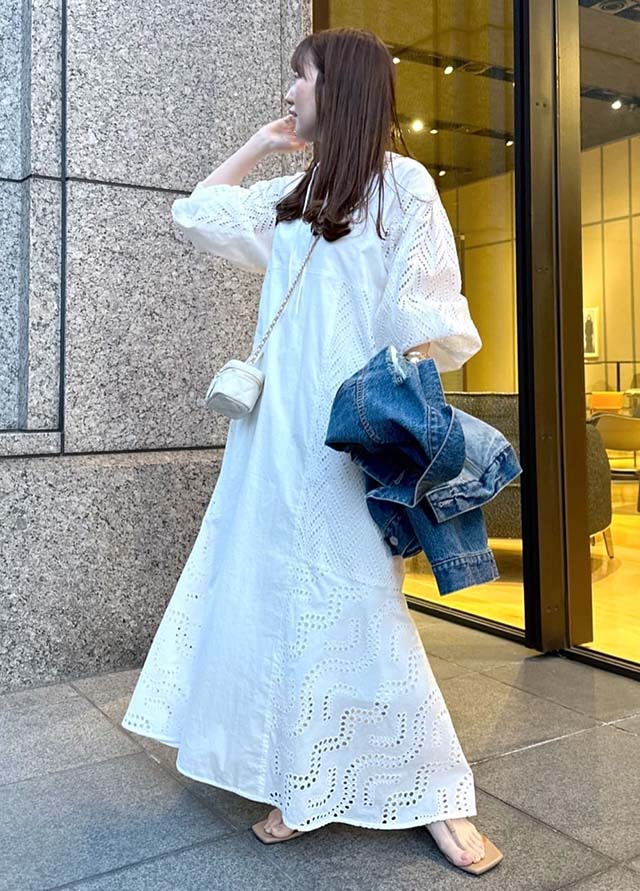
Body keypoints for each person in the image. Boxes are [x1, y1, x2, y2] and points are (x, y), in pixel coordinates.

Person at [122, 27, 502, 876]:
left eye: (301, 77)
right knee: (279, 601)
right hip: (273, 438)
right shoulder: (297, 193)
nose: (289, 91)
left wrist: (397, 418)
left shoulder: (402, 185)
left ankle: (437, 791)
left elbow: (426, 316)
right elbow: (196, 212)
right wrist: (263, 142)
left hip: (348, 434)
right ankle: (299, 782)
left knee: (361, 602)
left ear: (342, 87)